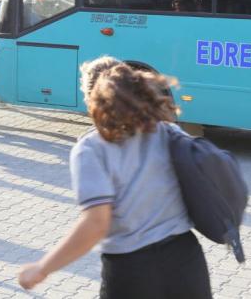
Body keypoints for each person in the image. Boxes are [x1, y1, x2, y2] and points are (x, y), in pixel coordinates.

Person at [18, 60, 212, 298]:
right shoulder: (168, 132)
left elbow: (96, 224)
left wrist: (42, 268)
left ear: (91, 99)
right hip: (186, 261)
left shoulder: (92, 148)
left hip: (132, 271)